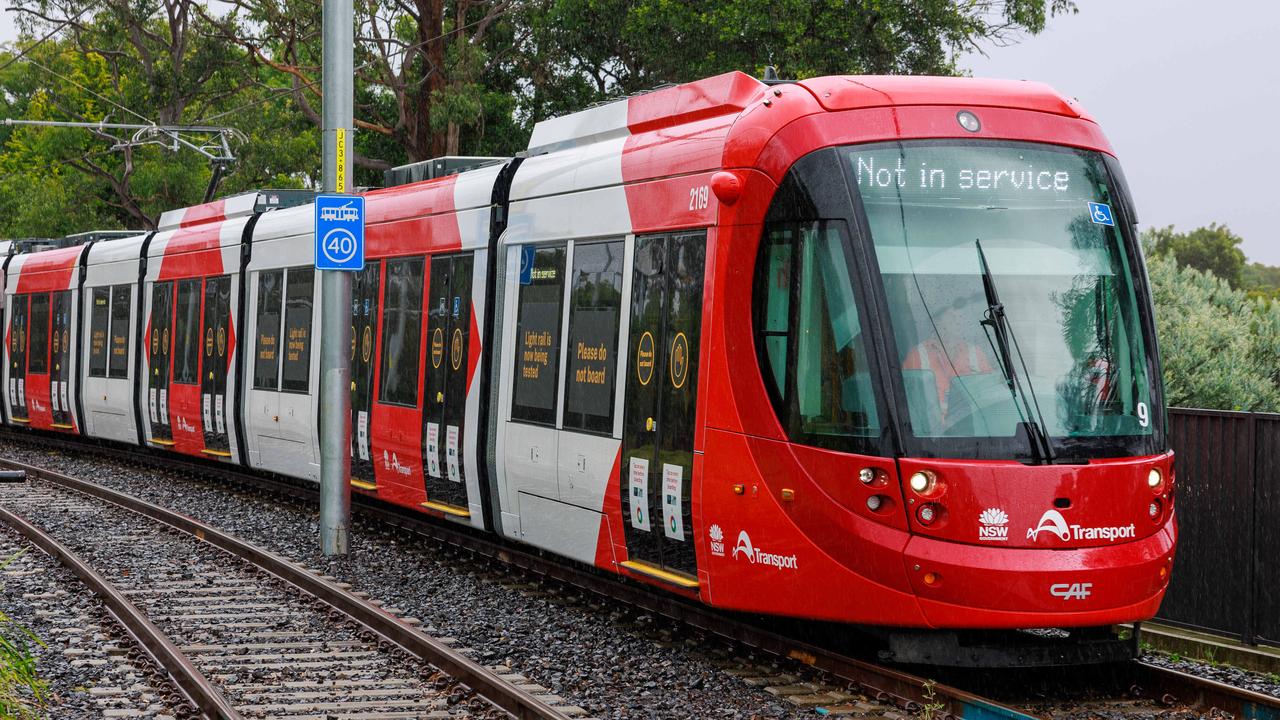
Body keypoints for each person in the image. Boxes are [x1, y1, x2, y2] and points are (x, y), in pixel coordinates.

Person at [902, 302, 994, 416]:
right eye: (953, 317)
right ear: (937, 321)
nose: (959, 321)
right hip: (932, 431)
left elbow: (990, 395)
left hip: (972, 427)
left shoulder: (976, 353)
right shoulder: (917, 356)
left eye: (961, 317)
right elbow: (910, 403)